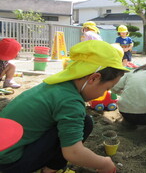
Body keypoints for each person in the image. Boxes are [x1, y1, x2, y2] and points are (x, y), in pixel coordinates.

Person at [0, 40, 129, 173]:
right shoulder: (70, 101)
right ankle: (50, 170)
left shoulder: (57, 85)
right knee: (86, 123)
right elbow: (73, 152)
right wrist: (103, 163)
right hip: (11, 163)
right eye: (107, 88)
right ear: (94, 78)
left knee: (81, 122)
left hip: (6, 150)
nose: (104, 93)